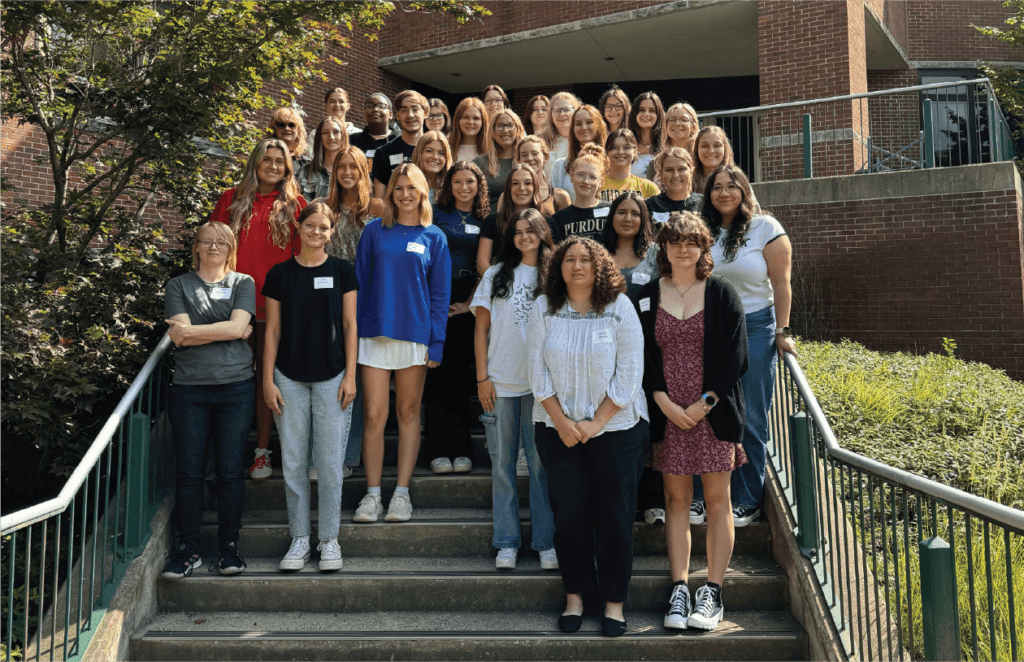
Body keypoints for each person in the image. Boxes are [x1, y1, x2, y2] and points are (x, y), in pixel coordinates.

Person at [527, 235, 647, 638]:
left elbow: (630, 372)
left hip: (616, 429)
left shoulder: (619, 308)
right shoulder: (544, 307)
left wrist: (596, 422)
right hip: (556, 430)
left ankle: (614, 603)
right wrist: (562, 421)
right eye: (569, 260)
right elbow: (536, 372)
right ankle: (575, 596)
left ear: (600, 267)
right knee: (570, 517)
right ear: (557, 268)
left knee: (614, 518)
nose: (577, 266)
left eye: (585, 260)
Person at [636, 211, 749, 632]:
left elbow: (736, 355)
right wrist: (663, 402)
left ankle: (713, 592)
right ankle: (680, 589)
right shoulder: (646, 296)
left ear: (704, 248)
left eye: (692, 242)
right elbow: (643, 358)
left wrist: (704, 404)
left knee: (718, 501)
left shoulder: (721, 293)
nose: (683, 248)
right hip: (668, 416)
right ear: (663, 248)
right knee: (676, 502)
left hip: (712, 413)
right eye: (674, 241)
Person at [262, 202, 359, 572]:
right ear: (298, 228)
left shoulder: (342, 271)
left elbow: (351, 326)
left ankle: (329, 539)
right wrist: (268, 379)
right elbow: (271, 330)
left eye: (324, 227)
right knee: (294, 463)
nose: (316, 232)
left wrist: (351, 375)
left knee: (331, 463)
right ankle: (300, 537)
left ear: (332, 232)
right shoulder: (279, 274)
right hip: (288, 376)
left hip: (333, 375)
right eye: (310, 225)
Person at [353, 163, 451, 523]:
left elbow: (440, 296)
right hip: (373, 334)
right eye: (398, 188)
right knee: (374, 416)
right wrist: (353, 339)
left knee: (408, 415)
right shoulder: (374, 232)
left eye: (412, 188)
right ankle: (373, 494)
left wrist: (436, 343)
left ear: (423, 192)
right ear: (390, 192)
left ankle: (402, 494)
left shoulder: (434, 236)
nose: (405, 194)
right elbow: (360, 285)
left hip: (415, 336)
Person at [701, 164, 795, 529]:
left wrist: (783, 330)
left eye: (731, 187)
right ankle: (708, 496)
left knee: (752, 415)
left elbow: (782, 282)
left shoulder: (765, 228)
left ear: (744, 190)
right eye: (716, 187)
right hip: (712, 329)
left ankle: (747, 498)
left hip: (755, 326)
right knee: (710, 411)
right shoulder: (704, 230)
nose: (723, 193)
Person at [162, 222, 256, 578]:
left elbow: (189, 333)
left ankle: (229, 549)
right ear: (197, 247)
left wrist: (192, 332)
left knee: (231, 471)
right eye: (207, 241)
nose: (214, 247)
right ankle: (188, 550)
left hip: (236, 387)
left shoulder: (243, 283)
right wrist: (228, 330)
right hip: (190, 389)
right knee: (190, 473)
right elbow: (185, 338)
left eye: (221, 242)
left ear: (230, 248)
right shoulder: (178, 285)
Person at [210, 139, 307, 481]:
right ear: (255, 162)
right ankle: (228, 453)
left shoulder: (297, 206)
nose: (273, 166)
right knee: (234, 380)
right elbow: (214, 250)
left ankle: (263, 453)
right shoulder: (230, 199)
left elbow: (302, 260)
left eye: (280, 161)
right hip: (233, 308)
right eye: (266, 159)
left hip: (276, 310)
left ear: (288, 167)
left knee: (268, 382)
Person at [472, 208, 558, 571]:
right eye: (518, 231)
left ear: (542, 233)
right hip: (501, 384)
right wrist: (482, 378)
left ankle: (545, 542)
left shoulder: (554, 275)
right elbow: (480, 331)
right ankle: (506, 541)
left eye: (531, 230)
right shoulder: (495, 274)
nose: (524, 237)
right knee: (503, 466)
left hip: (542, 388)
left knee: (540, 467)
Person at [315, 146, 387, 478]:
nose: (347, 172)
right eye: (341, 166)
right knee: (333, 377)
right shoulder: (324, 208)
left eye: (353, 167)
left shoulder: (377, 208)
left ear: (363, 171)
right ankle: (328, 454)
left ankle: (352, 452)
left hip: (368, 299)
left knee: (358, 377)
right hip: (329, 301)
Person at [601, 192, 664, 526]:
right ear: (612, 217)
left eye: (635, 214)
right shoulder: (599, 255)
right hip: (605, 352)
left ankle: (652, 498)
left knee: (651, 424)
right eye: (621, 212)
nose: (628, 219)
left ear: (644, 219)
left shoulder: (654, 255)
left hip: (650, 351)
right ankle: (620, 500)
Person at [424, 161, 489, 474]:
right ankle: (437, 449)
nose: (464, 188)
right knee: (437, 376)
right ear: (449, 186)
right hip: (436, 299)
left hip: (468, 302)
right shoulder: (437, 215)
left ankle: (462, 450)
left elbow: (487, 266)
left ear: (479, 186)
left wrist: (469, 303)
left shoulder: (484, 219)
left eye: (470, 182)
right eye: (458, 182)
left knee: (462, 379)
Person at [477, 163, 553, 275]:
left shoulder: (548, 222)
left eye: (527, 183)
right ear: (508, 188)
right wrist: (499, 284)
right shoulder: (492, 221)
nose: (521, 188)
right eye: (515, 183)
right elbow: (482, 265)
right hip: (500, 286)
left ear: (535, 188)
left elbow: (554, 262)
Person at [549, 144, 611, 242]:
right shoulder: (559, 219)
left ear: (601, 182)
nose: (586, 181)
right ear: (572, 177)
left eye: (593, 177)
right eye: (581, 175)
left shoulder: (611, 212)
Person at [371, 90, 427, 199]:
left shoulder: (438, 151)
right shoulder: (383, 153)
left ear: (425, 113)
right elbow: (380, 200)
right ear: (397, 115)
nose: (410, 115)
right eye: (404, 110)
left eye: (415, 109)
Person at [550, 104, 608, 202]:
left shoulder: (612, 162)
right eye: (578, 124)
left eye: (589, 122)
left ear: (598, 125)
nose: (584, 127)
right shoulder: (560, 166)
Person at [473, 109, 524, 211]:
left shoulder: (526, 161)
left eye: (510, 125)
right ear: (493, 130)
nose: (505, 130)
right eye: (500, 126)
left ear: (517, 129)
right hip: (488, 220)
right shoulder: (479, 163)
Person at [513, 135, 570, 216]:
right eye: (524, 155)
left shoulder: (560, 196)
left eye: (534, 153)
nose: (529, 158)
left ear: (545, 157)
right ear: (518, 161)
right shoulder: (508, 195)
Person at [600, 129, 660, 203]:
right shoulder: (596, 185)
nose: (621, 152)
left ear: (634, 151)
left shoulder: (649, 188)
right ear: (607, 152)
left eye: (626, 148)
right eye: (615, 148)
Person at [297, 117, 348, 202]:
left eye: (336, 132)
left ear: (343, 135)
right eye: (325, 133)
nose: (331, 137)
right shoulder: (304, 171)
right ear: (319, 137)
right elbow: (294, 207)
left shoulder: (354, 170)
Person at [646, 147, 703, 223]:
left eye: (681, 169)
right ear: (661, 174)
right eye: (669, 170)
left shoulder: (704, 203)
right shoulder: (650, 205)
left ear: (691, 171)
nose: (675, 175)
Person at [307, 87, 361, 157]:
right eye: (332, 101)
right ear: (325, 106)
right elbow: (312, 160)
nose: (337, 105)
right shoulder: (316, 134)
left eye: (341, 101)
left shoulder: (359, 134)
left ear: (348, 106)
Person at [628, 92, 665, 179]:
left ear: (658, 115)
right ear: (635, 114)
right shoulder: (626, 145)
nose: (646, 114)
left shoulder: (666, 145)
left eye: (652, 110)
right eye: (641, 110)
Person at [692, 126, 734, 201]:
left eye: (717, 145)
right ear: (696, 150)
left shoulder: (737, 179)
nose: (711, 151)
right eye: (704, 146)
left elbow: (753, 211)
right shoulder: (687, 182)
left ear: (725, 149)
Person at [350, 93, 394, 164]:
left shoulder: (401, 139)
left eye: (381, 106)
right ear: (364, 111)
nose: (375, 109)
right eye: (370, 106)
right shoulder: (352, 141)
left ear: (390, 114)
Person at [411, 130, 453, 202]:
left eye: (441, 153)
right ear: (419, 153)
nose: (435, 157)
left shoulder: (452, 189)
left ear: (446, 158)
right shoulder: (406, 185)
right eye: (429, 151)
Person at [545, 92, 579, 180]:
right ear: (551, 114)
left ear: (576, 112)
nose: (562, 114)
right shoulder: (541, 142)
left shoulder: (584, 140)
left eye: (567, 109)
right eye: (557, 110)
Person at [448, 97, 489, 163]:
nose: (470, 122)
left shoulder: (491, 148)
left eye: (476, 118)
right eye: (465, 117)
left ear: (483, 122)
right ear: (458, 120)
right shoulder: (446, 145)